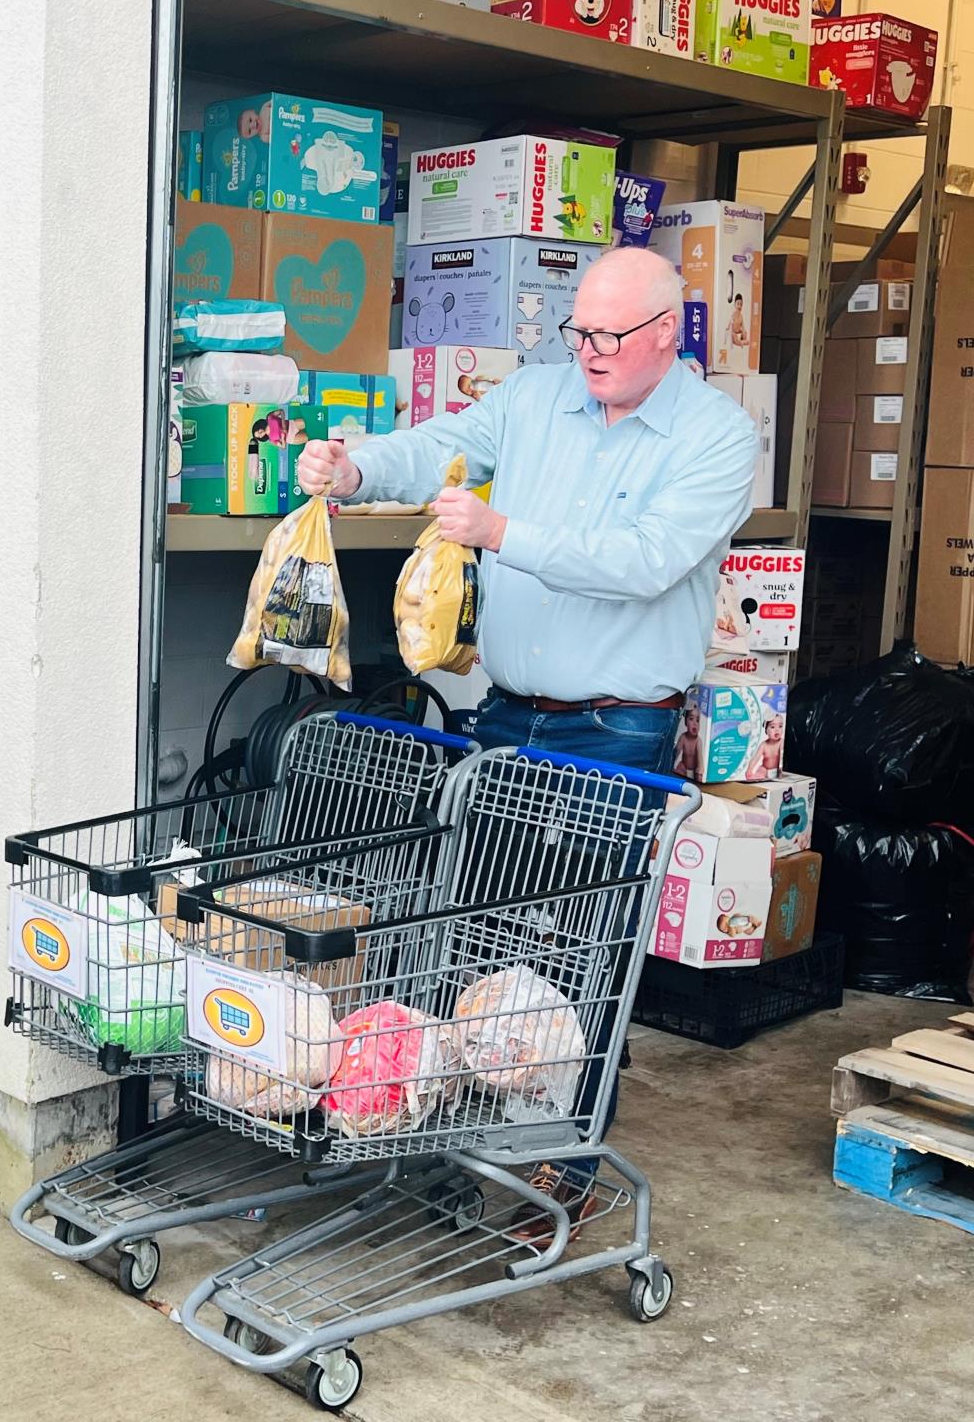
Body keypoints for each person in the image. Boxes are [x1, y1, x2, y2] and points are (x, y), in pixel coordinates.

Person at [298, 245, 755, 1236]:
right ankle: (460, 1129)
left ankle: (563, 1160)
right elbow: (441, 441)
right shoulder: (538, 397)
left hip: (619, 729)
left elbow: (648, 562)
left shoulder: (717, 437)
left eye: (609, 336)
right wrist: (357, 463)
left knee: (590, 946)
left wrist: (505, 535)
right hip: (507, 713)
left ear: (666, 334)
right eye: (578, 330)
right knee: (473, 928)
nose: (587, 350)